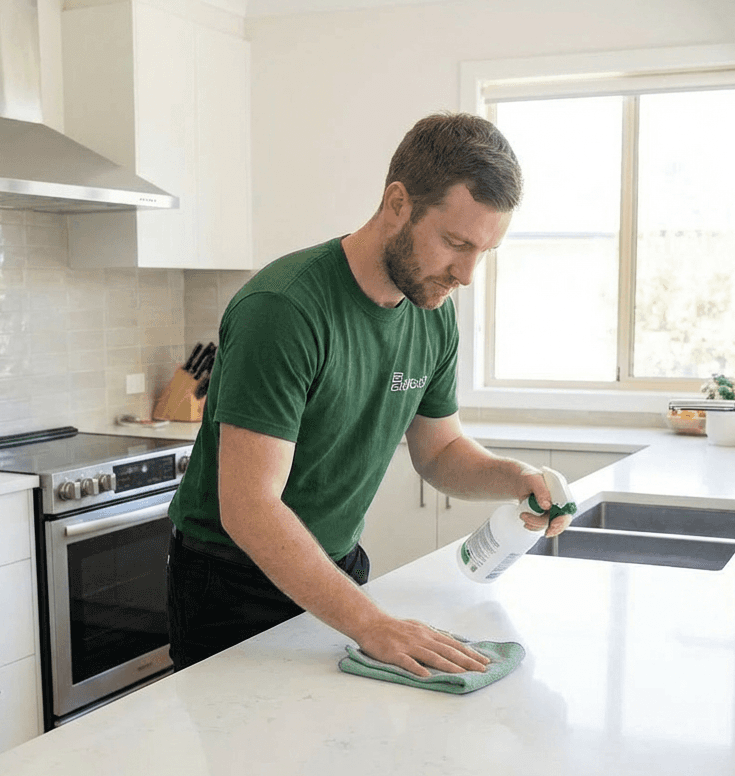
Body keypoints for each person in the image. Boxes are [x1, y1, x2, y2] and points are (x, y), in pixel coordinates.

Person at [166, 111, 572, 678]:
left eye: (485, 251)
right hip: (234, 588)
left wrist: (515, 477)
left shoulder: (432, 313)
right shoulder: (284, 310)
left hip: (337, 572)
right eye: (456, 243)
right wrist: (373, 624)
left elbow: (438, 451)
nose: (468, 274)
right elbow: (249, 507)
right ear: (398, 204)